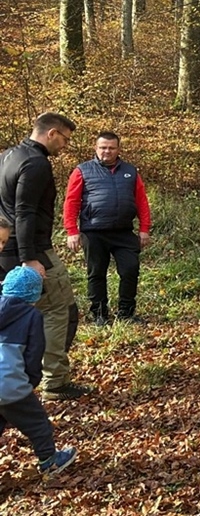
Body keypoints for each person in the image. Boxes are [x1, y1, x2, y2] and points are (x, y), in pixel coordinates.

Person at [0, 112, 87, 401]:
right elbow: (24, 211)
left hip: (5, 250)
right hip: (33, 251)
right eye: (65, 139)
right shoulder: (36, 163)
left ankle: (13, 378)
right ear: (51, 133)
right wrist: (29, 258)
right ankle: (55, 381)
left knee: (12, 313)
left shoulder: (7, 156)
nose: (65, 146)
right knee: (61, 310)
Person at [62, 131, 151, 326]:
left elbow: (141, 201)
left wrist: (144, 228)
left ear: (118, 149)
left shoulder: (130, 172)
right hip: (93, 232)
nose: (107, 151)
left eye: (111, 148)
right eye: (103, 147)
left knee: (130, 269)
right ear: (96, 148)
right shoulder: (82, 170)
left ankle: (126, 313)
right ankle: (99, 314)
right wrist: (72, 231)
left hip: (123, 232)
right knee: (96, 273)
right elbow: (71, 201)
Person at [0, 264, 78, 477]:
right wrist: (31, 381)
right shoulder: (32, 316)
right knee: (37, 424)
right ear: (33, 294)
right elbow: (34, 356)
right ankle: (49, 461)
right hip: (10, 384)